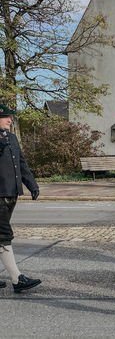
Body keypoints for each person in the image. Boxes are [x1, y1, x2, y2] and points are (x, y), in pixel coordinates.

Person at [0, 104, 42, 293]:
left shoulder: (11, 137)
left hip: (11, 193)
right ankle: (17, 279)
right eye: (6, 117)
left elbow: (21, 164)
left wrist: (31, 184)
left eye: (10, 117)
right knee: (4, 235)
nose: (10, 120)